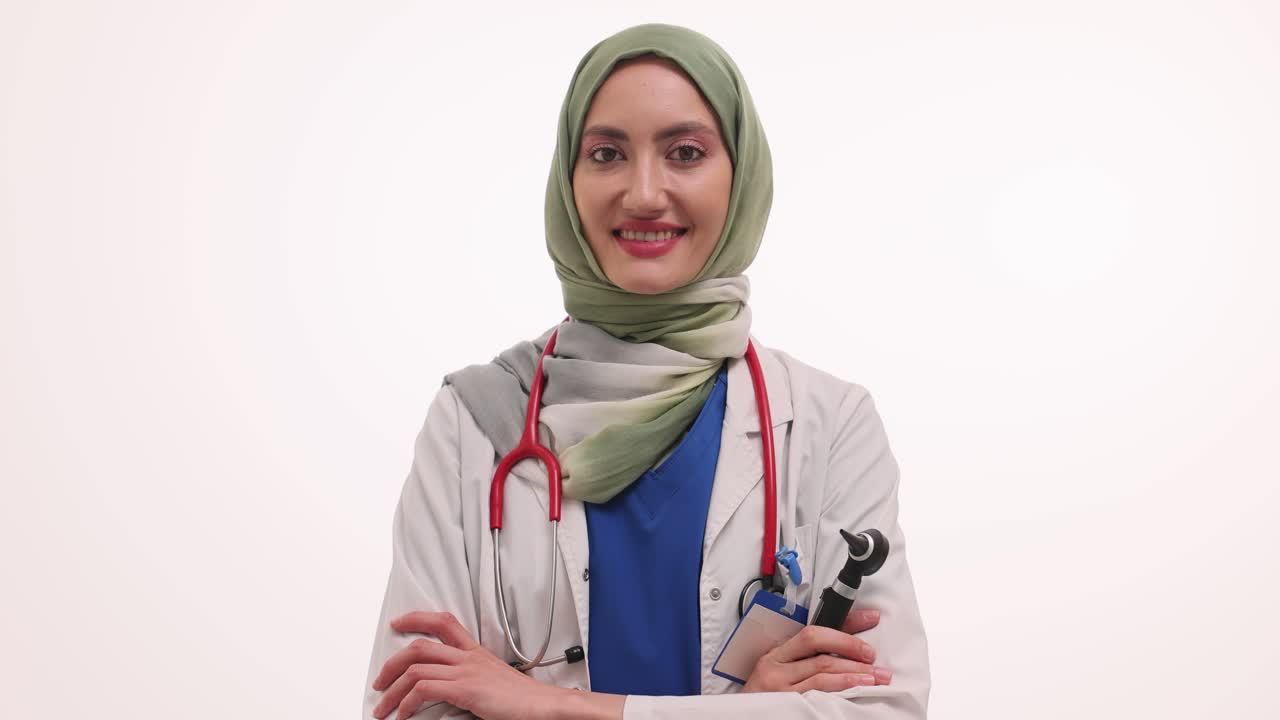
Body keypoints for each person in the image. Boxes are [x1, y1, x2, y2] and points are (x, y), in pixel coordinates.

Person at [362, 23, 929, 720]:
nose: (643, 194)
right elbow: (412, 704)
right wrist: (748, 710)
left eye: (685, 153)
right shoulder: (473, 422)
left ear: (741, 177)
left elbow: (882, 711)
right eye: (606, 154)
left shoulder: (830, 423)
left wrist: (548, 706)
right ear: (568, 181)